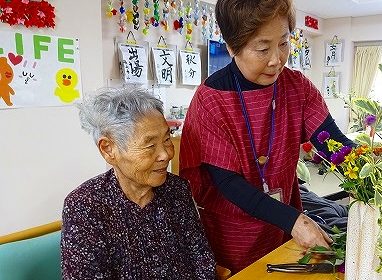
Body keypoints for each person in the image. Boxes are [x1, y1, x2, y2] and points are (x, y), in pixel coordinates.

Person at [179, 0, 355, 273]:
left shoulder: (297, 88)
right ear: (232, 47)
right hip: (232, 234)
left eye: (283, 43)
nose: (276, 59)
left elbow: (332, 143)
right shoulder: (211, 101)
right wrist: (294, 220)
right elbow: (228, 183)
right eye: (262, 48)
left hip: (280, 227)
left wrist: (372, 171)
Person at [61, 87, 216, 279]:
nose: (166, 154)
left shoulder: (177, 189)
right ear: (108, 149)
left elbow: (202, 260)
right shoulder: (86, 206)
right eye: (150, 145)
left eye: (167, 139)